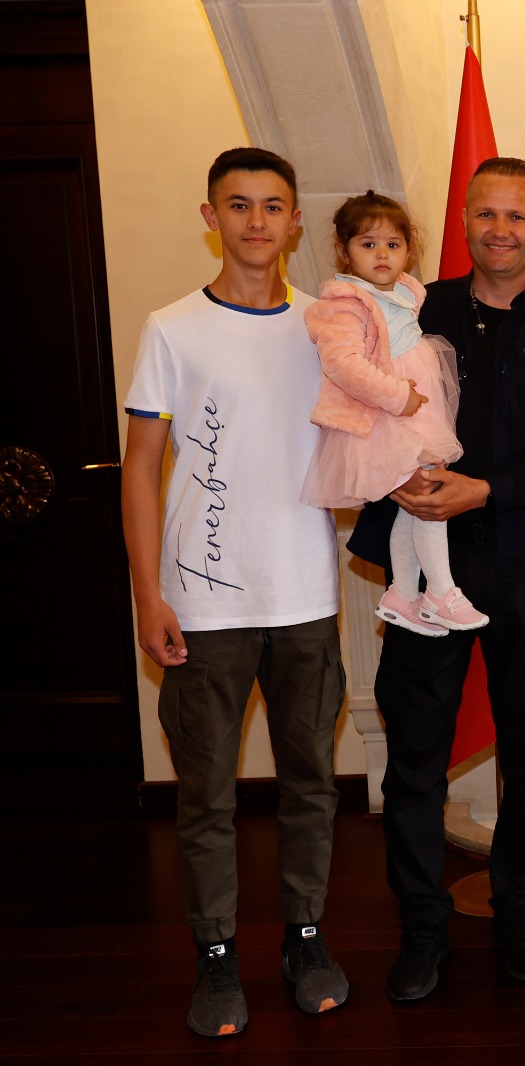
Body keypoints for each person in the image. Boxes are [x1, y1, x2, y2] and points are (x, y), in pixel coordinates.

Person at [347, 158, 525, 999]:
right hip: (429, 564)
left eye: (517, 216)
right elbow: (362, 404)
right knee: (415, 757)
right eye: (487, 214)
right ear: (464, 220)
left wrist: (486, 489)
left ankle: (517, 913)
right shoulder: (413, 311)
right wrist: (396, 477)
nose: (502, 230)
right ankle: (422, 929)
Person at [121, 147, 348, 1037]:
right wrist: (148, 594)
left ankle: (305, 938)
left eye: (273, 206)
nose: (257, 221)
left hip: (305, 597)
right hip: (203, 607)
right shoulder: (172, 329)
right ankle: (215, 953)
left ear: (295, 221)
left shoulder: (327, 328)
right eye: (239, 205)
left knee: (311, 783)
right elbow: (141, 470)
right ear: (210, 216)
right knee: (207, 795)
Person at [301, 191, 486, 636]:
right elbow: (343, 364)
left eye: (392, 244)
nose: (381, 254)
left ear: (408, 249)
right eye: (368, 244)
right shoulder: (346, 303)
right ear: (344, 250)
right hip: (387, 419)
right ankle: (440, 590)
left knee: (415, 504)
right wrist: (397, 396)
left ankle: (403, 593)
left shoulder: (404, 291)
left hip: (413, 413)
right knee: (429, 499)